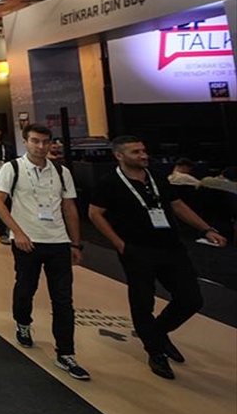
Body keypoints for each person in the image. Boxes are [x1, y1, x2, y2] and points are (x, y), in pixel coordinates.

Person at [88, 137, 227, 380]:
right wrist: (118, 243)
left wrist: (206, 229)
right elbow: (95, 213)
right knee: (142, 302)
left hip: (171, 247)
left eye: (143, 150)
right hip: (136, 250)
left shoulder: (157, 177)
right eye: (136, 152)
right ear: (119, 155)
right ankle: (155, 351)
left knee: (191, 299)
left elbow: (178, 206)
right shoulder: (109, 182)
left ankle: (157, 332)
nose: (143, 155)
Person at [0, 124, 90, 381]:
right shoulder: (12, 168)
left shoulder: (61, 171)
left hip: (58, 241)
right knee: (26, 287)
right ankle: (23, 322)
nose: (41, 146)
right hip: (27, 241)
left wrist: (75, 243)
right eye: (35, 141)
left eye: (45, 141)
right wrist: (17, 232)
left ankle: (66, 353)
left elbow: (69, 208)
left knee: (63, 299)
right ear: (25, 141)